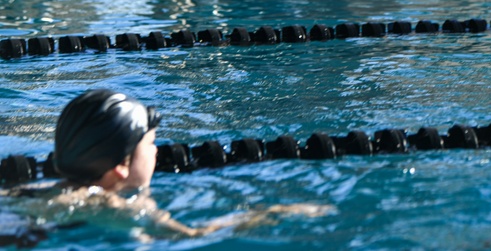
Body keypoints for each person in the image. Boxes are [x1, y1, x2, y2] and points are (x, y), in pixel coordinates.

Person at [7, 89, 327, 241]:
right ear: (122, 166)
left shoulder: (33, 190)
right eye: (150, 145)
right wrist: (273, 213)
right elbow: (194, 234)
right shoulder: (120, 206)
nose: (157, 151)